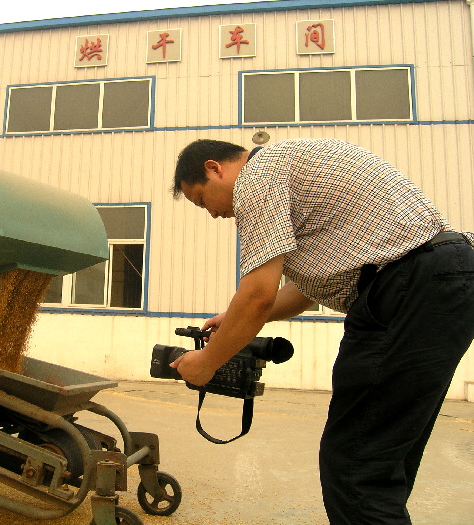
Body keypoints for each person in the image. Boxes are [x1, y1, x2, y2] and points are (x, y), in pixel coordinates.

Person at [169, 137, 474, 524]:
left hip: (406, 288)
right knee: (379, 461)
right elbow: (301, 293)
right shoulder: (293, 169)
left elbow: (258, 295)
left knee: (356, 468)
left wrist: (206, 363)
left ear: (215, 168)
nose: (212, 214)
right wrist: (232, 321)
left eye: (201, 200)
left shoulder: (257, 177)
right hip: (446, 280)